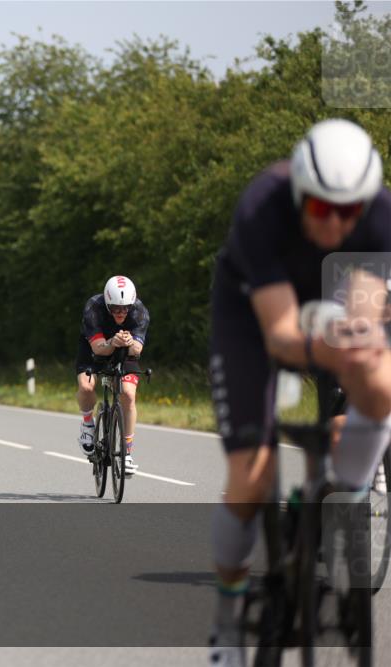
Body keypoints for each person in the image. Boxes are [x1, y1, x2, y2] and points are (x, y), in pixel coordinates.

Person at [207, 118, 391, 666]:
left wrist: (358, 346)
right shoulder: (262, 208)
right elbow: (283, 334)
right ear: (299, 194)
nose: (334, 223)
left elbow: (363, 313)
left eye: (347, 212)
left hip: (331, 303)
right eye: (319, 210)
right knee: (250, 476)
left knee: (380, 383)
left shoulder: (381, 215)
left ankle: (350, 490)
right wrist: (329, 348)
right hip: (254, 313)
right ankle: (226, 622)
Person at [75, 275, 149, 475]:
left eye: (125, 308)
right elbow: (99, 349)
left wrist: (128, 342)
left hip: (124, 350)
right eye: (115, 308)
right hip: (95, 348)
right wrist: (111, 343)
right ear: (107, 304)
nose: (121, 312)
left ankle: (127, 452)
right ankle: (88, 425)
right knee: (86, 386)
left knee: (128, 394)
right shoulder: (94, 308)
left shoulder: (139, 312)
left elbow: (138, 349)